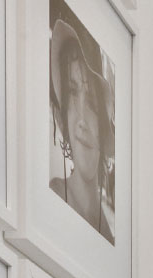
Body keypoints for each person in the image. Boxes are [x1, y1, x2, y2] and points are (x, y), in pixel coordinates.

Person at [49, 22, 113, 241]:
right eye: (73, 92)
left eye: (92, 102)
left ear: (104, 125)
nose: (82, 120)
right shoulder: (53, 197)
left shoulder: (110, 232)